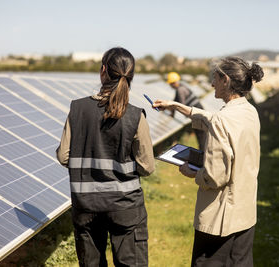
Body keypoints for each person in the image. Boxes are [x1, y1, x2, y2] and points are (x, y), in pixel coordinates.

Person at [154, 57, 264, 266]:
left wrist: (193, 172)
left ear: (225, 80)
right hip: (245, 214)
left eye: (214, 78)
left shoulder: (221, 121)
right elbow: (212, 119)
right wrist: (177, 106)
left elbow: (214, 177)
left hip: (220, 219)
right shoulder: (249, 112)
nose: (212, 84)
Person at [56, 47, 155, 267]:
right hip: (126, 208)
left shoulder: (77, 109)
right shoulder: (135, 115)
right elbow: (147, 167)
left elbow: (64, 156)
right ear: (130, 76)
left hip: (86, 206)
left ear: (103, 71)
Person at [166, 71, 206, 151]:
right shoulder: (181, 88)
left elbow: (181, 105)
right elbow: (175, 102)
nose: (170, 86)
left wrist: (171, 109)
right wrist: (171, 111)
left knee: (201, 134)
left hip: (198, 113)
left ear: (173, 83)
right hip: (197, 112)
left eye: (171, 84)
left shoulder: (180, 90)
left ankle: (203, 154)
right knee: (200, 134)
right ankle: (202, 152)